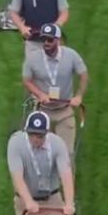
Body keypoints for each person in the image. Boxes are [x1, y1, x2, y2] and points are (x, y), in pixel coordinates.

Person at [23, 23, 87, 161]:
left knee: (67, 155)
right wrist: (40, 94)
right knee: (39, 153)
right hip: (42, 112)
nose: (46, 43)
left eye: (50, 40)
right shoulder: (33, 59)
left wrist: (79, 96)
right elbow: (26, 80)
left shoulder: (71, 55)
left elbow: (83, 74)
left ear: (58, 40)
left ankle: (67, 182)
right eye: (44, 39)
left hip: (64, 112)